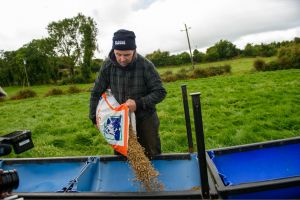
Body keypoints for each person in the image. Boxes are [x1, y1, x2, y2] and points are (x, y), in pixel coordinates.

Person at [89, 29, 167, 158]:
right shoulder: (107, 65)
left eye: (127, 55)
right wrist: (93, 118)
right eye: (118, 54)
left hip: (145, 117)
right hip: (119, 119)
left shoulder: (145, 65)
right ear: (113, 50)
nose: (122, 59)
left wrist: (138, 103)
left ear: (134, 51)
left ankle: (153, 177)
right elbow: (96, 92)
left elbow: (160, 92)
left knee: (151, 154)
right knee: (122, 156)